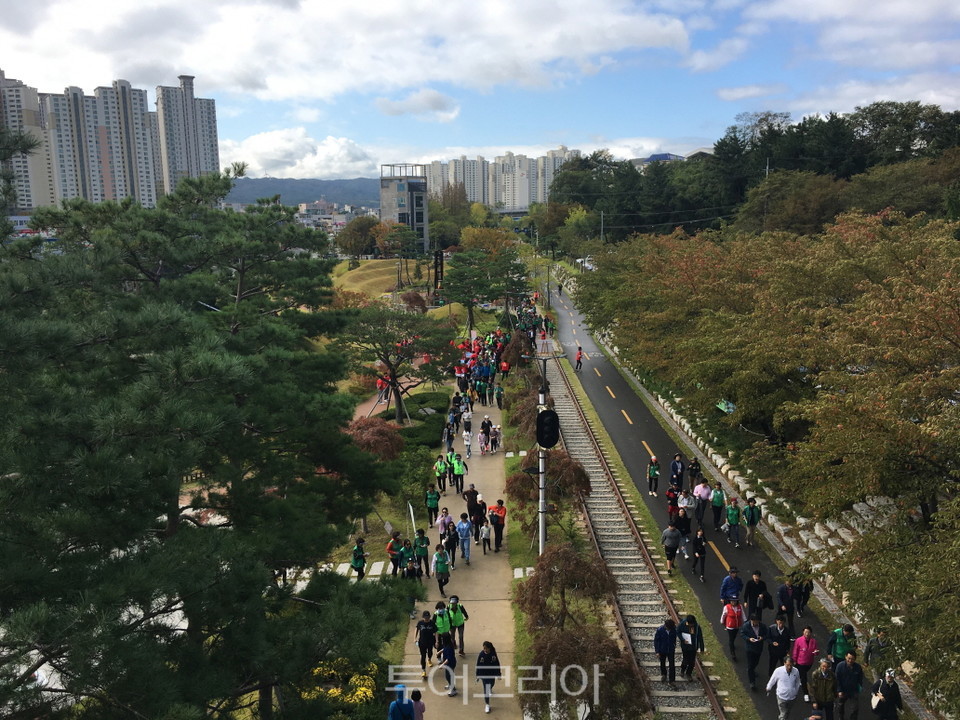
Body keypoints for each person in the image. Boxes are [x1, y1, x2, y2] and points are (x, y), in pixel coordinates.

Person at [792, 626, 820, 701]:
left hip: (809, 662)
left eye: (808, 632)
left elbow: (816, 652)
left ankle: (798, 679)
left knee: (802, 675)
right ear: (803, 632)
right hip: (800, 662)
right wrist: (794, 660)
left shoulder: (813, 641)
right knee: (804, 678)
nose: (807, 634)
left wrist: (816, 652)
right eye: (805, 632)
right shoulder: (798, 640)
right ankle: (806, 693)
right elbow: (795, 651)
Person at [742, 613, 769, 690]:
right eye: (756, 621)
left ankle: (752, 670)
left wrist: (762, 638)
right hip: (750, 648)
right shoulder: (746, 626)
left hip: (758, 647)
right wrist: (748, 639)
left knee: (756, 662)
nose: (757, 623)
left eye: (758, 621)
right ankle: (752, 682)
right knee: (750, 665)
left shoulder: (762, 626)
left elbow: (767, 634)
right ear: (752, 620)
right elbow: (742, 634)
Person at [835, 651, 864, 720]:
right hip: (843, 690)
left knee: (855, 709)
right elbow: (837, 679)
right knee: (840, 705)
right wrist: (839, 690)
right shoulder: (840, 666)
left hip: (853, 691)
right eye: (849, 658)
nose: (850, 660)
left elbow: (860, 678)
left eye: (852, 659)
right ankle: (841, 717)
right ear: (845, 657)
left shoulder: (858, 667)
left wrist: (859, 687)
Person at [476, 641, 502, 714]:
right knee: (486, 690)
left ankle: (490, 688)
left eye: (486, 648)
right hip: (484, 675)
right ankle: (487, 704)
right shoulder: (481, 654)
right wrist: (478, 675)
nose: (485, 650)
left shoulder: (493, 655)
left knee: (492, 684)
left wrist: (498, 674)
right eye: (484, 648)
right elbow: (478, 664)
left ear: (489, 648)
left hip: (491, 674)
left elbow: (497, 664)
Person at [678, 614, 705, 681]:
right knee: (685, 659)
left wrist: (702, 648)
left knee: (692, 661)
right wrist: (683, 639)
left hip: (693, 647)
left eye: (691, 624)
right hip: (685, 646)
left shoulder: (697, 627)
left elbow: (700, 637)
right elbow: (678, 632)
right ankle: (682, 670)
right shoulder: (683, 624)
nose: (690, 625)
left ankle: (688, 673)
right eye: (689, 624)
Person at [654, 617, 678, 685]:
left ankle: (672, 680)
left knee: (672, 665)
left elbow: (674, 638)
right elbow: (656, 641)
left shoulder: (673, 630)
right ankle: (664, 674)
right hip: (662, 650)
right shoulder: (660, 630)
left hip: (670, 649)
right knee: (662, 663)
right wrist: (657, 651)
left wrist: (674, 645)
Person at [721, 597, 745, 661]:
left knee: (734, 636)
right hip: (730, 626)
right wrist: (722, 621)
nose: (733, 602)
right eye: (732, 601)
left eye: (735, 601)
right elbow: (724, 615)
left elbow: (742, 614)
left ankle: (732, 644)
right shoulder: (727, 607)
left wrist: (745, 621)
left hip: (737, 625)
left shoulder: (740, 607)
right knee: (731, 639)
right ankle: (733, 653)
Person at [414, 611, 437, 679]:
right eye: (425, 617)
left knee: (430, 652)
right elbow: (417, 629)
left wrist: (437, 641)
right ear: (423, 617)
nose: (426, 619)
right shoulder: (420, 623)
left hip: (430, 641)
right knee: (423, 656)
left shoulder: (432, 623)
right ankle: (423, 670)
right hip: (422, 642)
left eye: (428, 617)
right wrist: (415, 638)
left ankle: (429, 659)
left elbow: (436, 632)